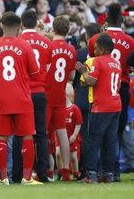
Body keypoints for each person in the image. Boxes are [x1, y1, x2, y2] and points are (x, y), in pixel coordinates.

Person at [0, 11, 41, 186]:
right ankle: (27, 178)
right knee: (27, 137)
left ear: (1, 25)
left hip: (2, 99)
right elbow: (35, 73)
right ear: (20, 27)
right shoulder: (25, 46)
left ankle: (3, 179)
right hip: (23, 98)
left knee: (1, 138)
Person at [87, 4, 134, 181]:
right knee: (116, 134)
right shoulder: (130, 41)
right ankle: (113, 171)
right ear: (121, 20)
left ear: (106, 19)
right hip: (121, 90)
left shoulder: (95, 39)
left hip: (100, 90)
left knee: (97, 134)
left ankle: (96, 170)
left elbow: (93, 63)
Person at [76, 33, 122, 183]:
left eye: (96, 48)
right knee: (110, 140)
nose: (94, 51)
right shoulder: (116, 63)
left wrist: (83, 71)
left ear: (101, 49)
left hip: (101, 106)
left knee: (93, 140)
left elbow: (90, 81)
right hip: (116, 105)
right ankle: (109, 174)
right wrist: (87, 79)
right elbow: (88, 83)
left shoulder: (97, 61)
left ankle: (91, 174)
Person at [15, 10, 52, 182]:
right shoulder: (46, 42)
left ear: (21, 24)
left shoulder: (17, 42)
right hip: (39, 92)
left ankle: (18, 172)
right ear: (36, 24)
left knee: (19, 133)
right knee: (41, 134)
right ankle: (43, 172)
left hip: (21, 93)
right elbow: (48, 68)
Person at [45, 16, 76, 181]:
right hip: (60, 95)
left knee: (41, 133)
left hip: (46, 94)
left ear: (53, 28)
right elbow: (71, 75)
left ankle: (46, 170)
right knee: (62, 133)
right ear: (68, 30)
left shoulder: (48, 46)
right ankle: (66, 171)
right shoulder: (72, 49)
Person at [64, 83, 82, 180]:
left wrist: (74, 135)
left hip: (72, 137)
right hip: (62, 137)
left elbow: (78, 123)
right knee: (59, 153)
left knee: (73, 156)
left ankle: (76, 172)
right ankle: (63, 172)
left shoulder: (75, 109)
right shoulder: (60, 109)